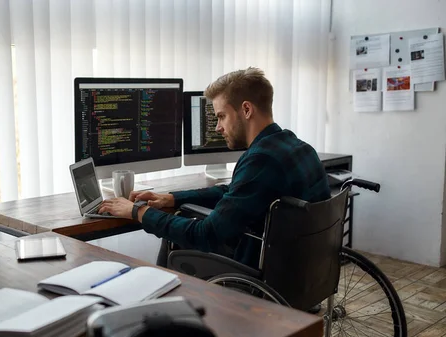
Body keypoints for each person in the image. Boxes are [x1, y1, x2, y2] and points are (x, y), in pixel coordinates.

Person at [98, 67, 331, 269]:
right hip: (303, 272)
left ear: (246, 110)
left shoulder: (261, 159)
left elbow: (205, 235)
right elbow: (232, 193)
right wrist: (171, 198)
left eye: (221, 116)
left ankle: (166, 315)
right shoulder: (298, 147)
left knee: (179, 237)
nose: (218, 127)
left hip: (262, 273)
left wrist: (137, 212)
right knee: (183, 214)